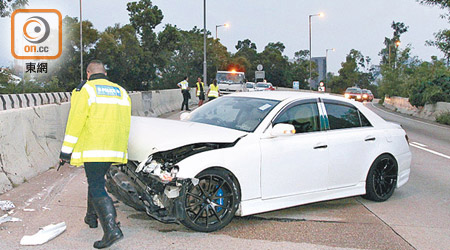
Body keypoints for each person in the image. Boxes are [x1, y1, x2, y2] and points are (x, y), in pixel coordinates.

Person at [59, 60, 131, 249]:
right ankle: (91, 217)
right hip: (114, 148)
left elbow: (76, 120)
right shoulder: (121, 91)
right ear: (105, 74)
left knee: (97, 185)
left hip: (94, 148)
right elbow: (126, 121)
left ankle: (111, 230)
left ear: (88, 74)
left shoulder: (87, 91)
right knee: (96, 179)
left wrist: (65, 152)